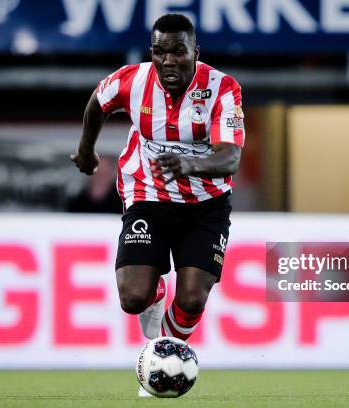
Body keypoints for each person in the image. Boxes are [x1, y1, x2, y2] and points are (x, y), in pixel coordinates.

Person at [70, 14, 244, 395]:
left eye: (178, 51)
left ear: (195, 52)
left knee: (194, 297)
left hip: (206, 204)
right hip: (148, 195)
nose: (168, 61)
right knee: (133, 298)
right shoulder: (132, 81)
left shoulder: (222, 89)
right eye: (159, 51)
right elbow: (97, 104)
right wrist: (87, 152)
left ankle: (159, 362)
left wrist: (190, 164)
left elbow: (230, 158)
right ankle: (157, 301)